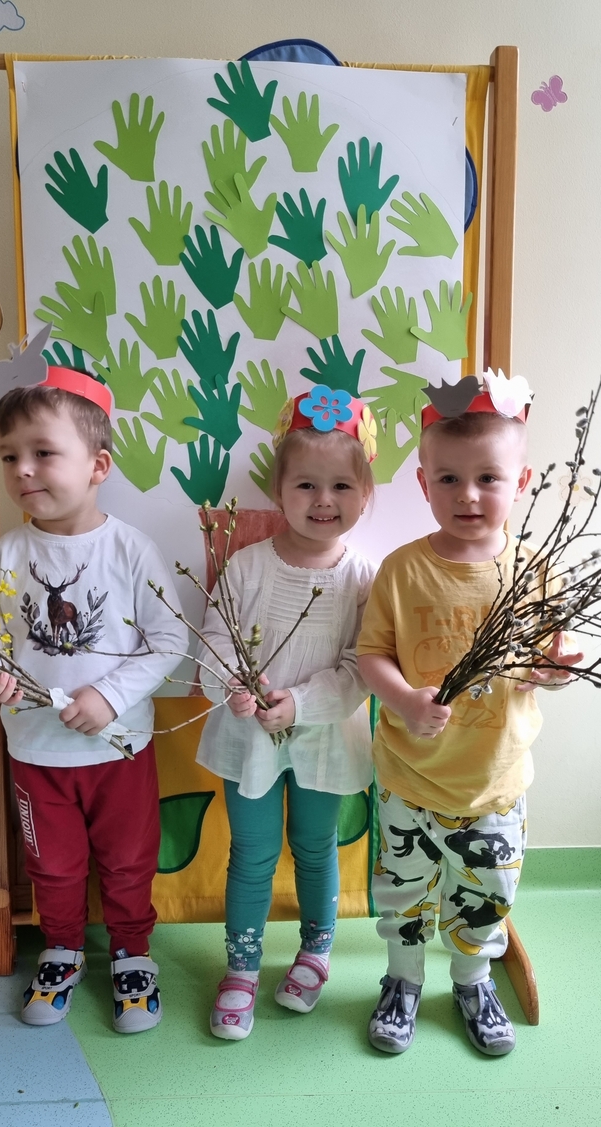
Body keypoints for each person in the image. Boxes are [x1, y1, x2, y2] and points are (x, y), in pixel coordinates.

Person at [357, 373, 582, 1057]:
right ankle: (401, 980)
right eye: (449, 479)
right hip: (409, 780)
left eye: (488, 478)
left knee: (486, 894)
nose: (468, 495)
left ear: (522, 481)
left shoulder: (533, 570)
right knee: (402, 893)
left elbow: (551, 658)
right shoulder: (402, 570)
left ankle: (473, 981)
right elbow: (371, 656)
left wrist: (557, 670)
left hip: (494, 785)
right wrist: (403, 700)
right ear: (423, 484)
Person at [0, 360, 187, 1033]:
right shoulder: (2, 558)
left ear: (98, 465)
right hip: (36, 753)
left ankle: (132, 953)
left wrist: (109, 697)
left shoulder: (130, 550)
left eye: (42, 453)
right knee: (51, 865)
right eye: (10, 456)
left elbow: (170, 639)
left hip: (119, 750)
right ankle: (61, 948)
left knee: (128, 861)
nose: (23, 470)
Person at [196, 387, 378, 1040]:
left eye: (341, 486)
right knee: (251, 850)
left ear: (365, 494)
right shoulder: (247, 566)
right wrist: (234, 688)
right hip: (249, 738)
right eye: (306, 484)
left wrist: (300, 702)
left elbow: (362, 668)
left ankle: (315, 951)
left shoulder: (364, 577)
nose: (323, 500)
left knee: (315, 844)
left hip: (324, 738)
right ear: (278, 489)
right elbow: (215, 641)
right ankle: (242, 966)